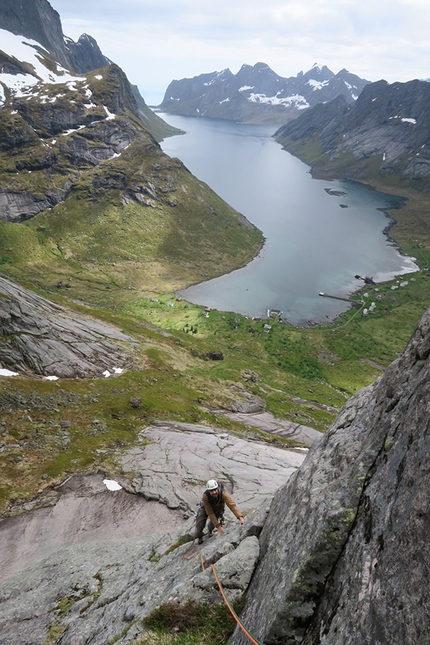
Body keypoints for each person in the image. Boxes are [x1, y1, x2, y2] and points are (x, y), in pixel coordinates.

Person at [195, 479, 244, 544]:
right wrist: (218, 528)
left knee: (212, 525)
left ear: (217, 488)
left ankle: (210, 531)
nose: (214, 492)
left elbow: (231, 504)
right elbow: (210, 512)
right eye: (212, 491)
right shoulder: (205, 496)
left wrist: (240, 517)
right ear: (209, 491)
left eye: (215, 489)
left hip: (217, 509)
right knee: (200, 525)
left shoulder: (223, 493)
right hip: (204, 509)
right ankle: (200, 537)